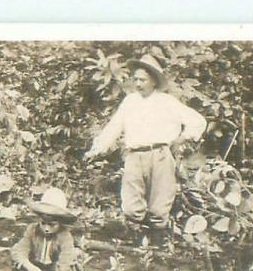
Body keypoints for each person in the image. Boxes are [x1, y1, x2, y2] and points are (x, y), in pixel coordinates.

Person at [84, 53, 207, 244]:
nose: (138, 83)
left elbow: (198, 121)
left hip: (159, 155)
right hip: (134, 155)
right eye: (136, 79)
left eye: (143, 79)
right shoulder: (130, 102)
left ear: (153, 81)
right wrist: (96, 149)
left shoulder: (167, 102)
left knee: (160, 201)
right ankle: (135, 238)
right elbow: (113, 128)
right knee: (132, 200)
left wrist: (182, 139)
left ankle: (157, 241)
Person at [10, 187, 80, 271]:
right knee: (19, 266)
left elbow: (64, 266)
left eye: (52, 225)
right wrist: (28, 265)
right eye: (43, 223)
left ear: (61, 223)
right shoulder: (32, 230)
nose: (46, 228)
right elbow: (18, 250)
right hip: (37, 270)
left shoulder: (65, 237)